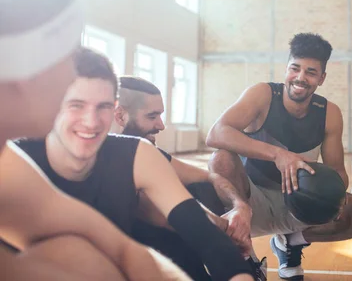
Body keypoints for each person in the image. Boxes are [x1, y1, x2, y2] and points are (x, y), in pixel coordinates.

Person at [0, 0, 189, 280]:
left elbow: (120, 248)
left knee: (76, 253)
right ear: (23, 65)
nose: (75, 73)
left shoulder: (6, 162)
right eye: (68, 53)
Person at [15, 47, 254, 281]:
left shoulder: (138, 155)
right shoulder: (15, 158)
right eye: (76, 105)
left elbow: (202, 233)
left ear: (114, 108)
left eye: (103, 106)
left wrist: (238, 268)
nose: (91, 121)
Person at [207, 33, 352, 280]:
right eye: (295, 68)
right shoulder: (262, 94)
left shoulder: (329, 113)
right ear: (286, 69)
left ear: (322, 78)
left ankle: (291, 243)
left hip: (299, 206)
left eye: (311, 72)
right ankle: (246, 257)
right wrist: (278, 155)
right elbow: (216, 133)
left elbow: (337, 172)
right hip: (253, 201)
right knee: (220, 160)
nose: (300, 77)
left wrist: (333, 199)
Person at [114, 75, 266, 279]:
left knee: (202, 189)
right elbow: (170, 212)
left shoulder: (146, 152)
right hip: (117, 262)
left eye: (160, 116)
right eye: (152, 116)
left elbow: (211, 177)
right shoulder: (108, 159)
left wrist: (240, 206)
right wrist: (228, 230)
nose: (161, 125)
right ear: (120, 115)